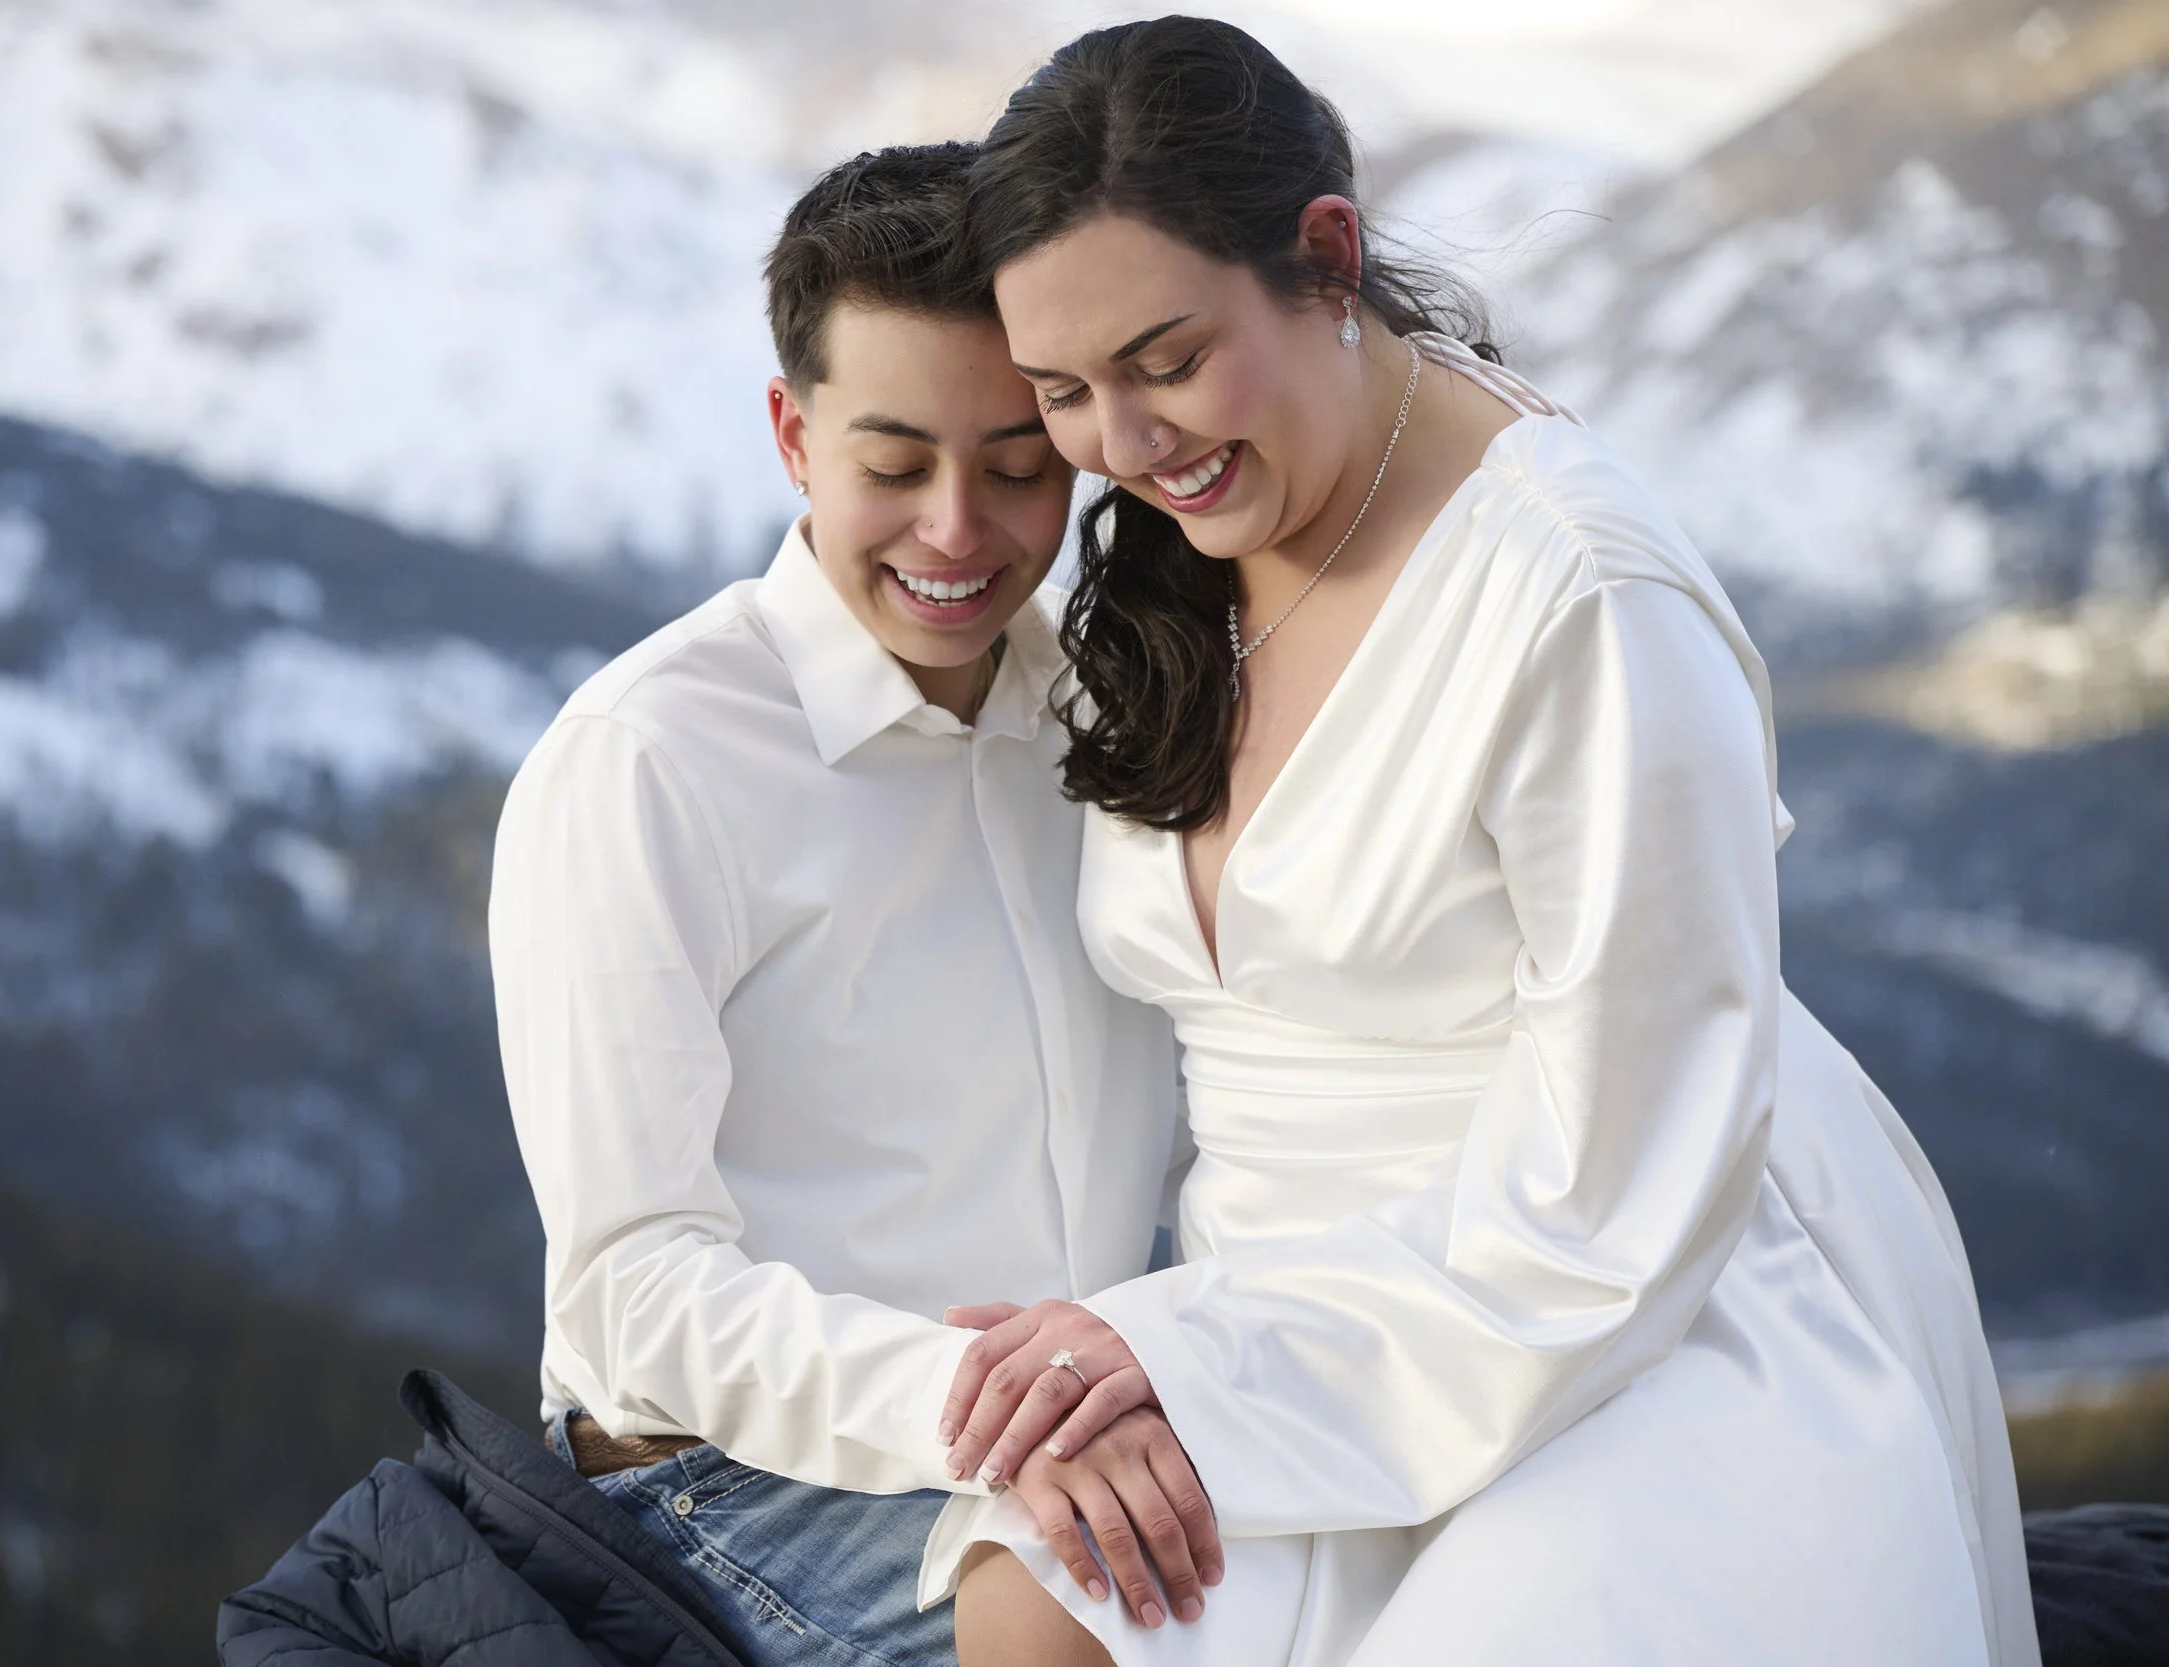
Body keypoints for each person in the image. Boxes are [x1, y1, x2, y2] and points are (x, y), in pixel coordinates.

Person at [924, 20, 2040, 1667]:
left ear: (1325, 256)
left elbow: (1618, 1188)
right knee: (1031, 1598)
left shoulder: (1581, 592)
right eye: (1064, 391)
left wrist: (1191, 1357)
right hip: (1288, 1306)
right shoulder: (1194, 531)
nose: (1126, 448)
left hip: (1632, 1300)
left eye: (1164, 360)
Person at [488, 142, 1218, 1667]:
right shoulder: (646, 761)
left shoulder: (1103, 715)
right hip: (731, 1488)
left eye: (1018, 465)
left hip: (1075, 1422)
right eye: (893, 465)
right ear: (791, 435)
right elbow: (631, 1296)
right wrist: (1005, 1419)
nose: (957, 530)